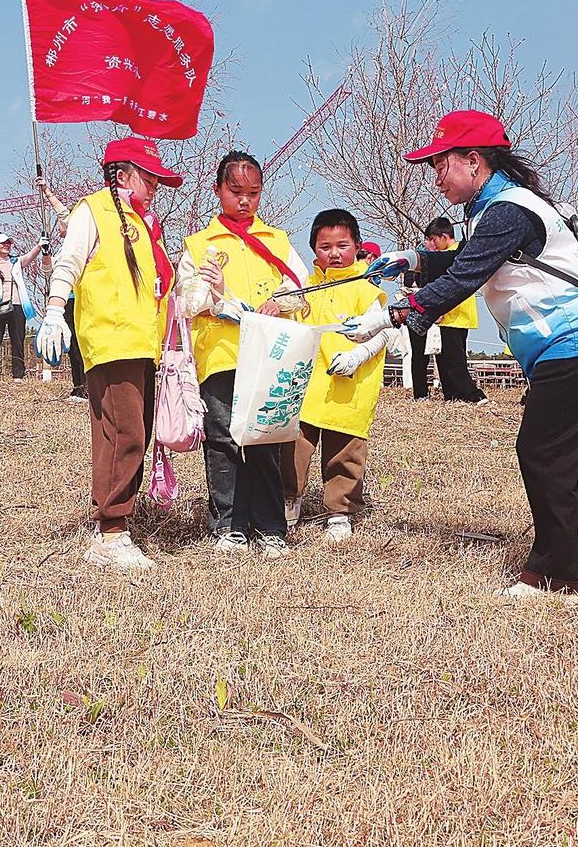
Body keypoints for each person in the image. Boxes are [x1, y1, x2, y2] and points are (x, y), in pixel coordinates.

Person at [348, 109, 578, 599]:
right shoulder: (491, 211)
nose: (436, 177)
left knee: (542, 453)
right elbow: (470, 258)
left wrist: (390, 315)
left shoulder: (510, 209)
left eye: (439, 164)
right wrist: (412, 259)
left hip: (573, 342)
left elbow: (466, 276)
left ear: (473, 161)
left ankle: (556, 573)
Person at [35, 136, 181, 572]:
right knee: (124, 433)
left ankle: (117, 521)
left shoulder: (145, 223)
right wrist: (55, 309)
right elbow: (69, 261)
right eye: (147, 174)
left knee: (134, 431)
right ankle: (111, 530)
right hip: (112, 340)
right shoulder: (93, 211)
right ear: (122, 174)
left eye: (157, 176)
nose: (154, 183)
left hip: (143, 344)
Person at [179, 151, 308, 558]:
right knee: (222, 439)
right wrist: (212, 295)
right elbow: (185, 302)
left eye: (253, 193)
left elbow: (302, 293)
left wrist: (280, 302)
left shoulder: (278, 241)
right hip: (221, 354)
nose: (244, 201)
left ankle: (271, 527)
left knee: (267, 439)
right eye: (235, 192)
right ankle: (228, 526)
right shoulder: (199, 244)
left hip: (269, 356)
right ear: (218, 191)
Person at [282, 209, 391, 542]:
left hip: (348, 383)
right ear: (314, 248)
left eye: (342, 245)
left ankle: (340, 511)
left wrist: (358, 355)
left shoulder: (365, 288)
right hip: (307, 383)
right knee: (294, 446)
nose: (334, 253)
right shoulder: (306, 286)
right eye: (324, 246)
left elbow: (384, 332)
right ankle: (288, 500)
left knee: (346, 448)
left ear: (357, 246)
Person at [416, 217, 487, 405]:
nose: (432, 244)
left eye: (433, 239)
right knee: (446, 358)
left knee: (454, 360)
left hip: (455, 314)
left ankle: (471, 394)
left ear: (445, 236)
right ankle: (453, 395)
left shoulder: (455, 253)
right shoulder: (456, 253)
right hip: (454, 314)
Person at [38, 177, 87, 402]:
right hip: (65, 300)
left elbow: (64, 214)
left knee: (81, 343)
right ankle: (78, 385)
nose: (61, 226)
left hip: (80, 298)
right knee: (72, 345)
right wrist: (46, 253)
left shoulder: (81, 240)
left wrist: (47, 192)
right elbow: (48, 271)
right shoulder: (62, 253)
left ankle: (85, 385)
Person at [0, 232, 45, 384]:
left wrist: (39, 246)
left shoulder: (16, 261)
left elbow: (29, 257)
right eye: (3, 243)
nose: (7, 245)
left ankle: (18, 375)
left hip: (17, 305)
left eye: (9, 243)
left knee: (18, 340)